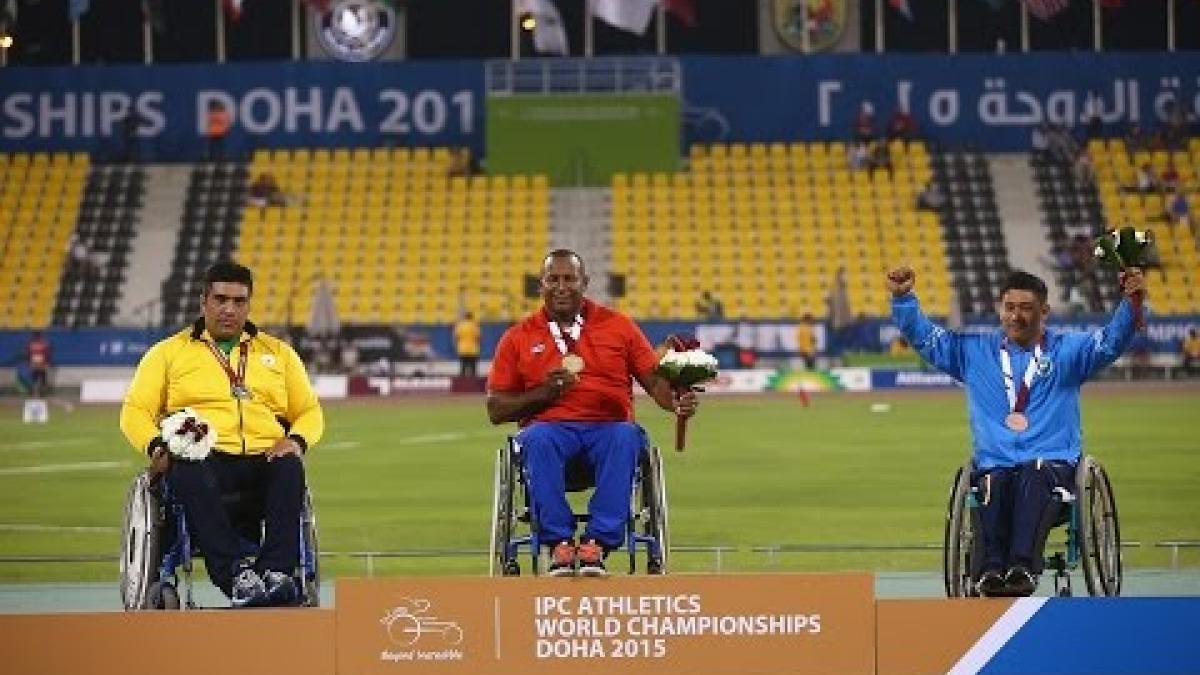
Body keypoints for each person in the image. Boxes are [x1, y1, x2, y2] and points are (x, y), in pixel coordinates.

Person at [888, 266, 1145, 597]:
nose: (1016, 316)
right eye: (1010, 307)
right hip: (996, 464)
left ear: (1044, 312)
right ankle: (991, 570)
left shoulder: (1068, 352)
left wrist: (1132, 300)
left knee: (1033, 473)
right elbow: (925, 338)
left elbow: (1110, 342)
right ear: (1000, 309)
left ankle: (1023, 566)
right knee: (993, 480)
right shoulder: (973, 352)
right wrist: (903, 298)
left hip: (1053, 467)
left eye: (1026, 308)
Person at [119, 261, 324, 608]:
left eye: (239, 301)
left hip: (263, 459)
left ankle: (276, 573)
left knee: (290, 465)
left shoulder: (278, 354)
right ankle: (235, 575)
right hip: (205, 461)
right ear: (204, 302)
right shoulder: (168, 353)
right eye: (220, 299)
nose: (229, 309)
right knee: (188, 462)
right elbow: (135, 411)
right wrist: (156, 447)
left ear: (249, 305)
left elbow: (309, 411)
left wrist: (296, 440)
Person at [486, 250, 699, 577]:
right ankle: (559, 544)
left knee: (627, 435)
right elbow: (496, 409)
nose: (561, 286)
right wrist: (546, 393)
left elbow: (655, 382)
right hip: (550, 431)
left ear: (584, 283)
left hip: (608, 429)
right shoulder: (517, 337)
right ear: (540, 286)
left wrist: (675, 402)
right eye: (552, 279)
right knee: (537, 438)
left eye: (569, 278)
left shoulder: (619, 326)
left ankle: (596, 544)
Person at [453, 311, 481, 378]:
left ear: (464, 317)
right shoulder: (475, 325)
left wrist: (457, 345)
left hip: (462, 349)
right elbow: (478, 337)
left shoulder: (460, 326)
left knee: (463, 368)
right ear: (471, 317)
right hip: (473, 349)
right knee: (473, 369)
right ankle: (474, 385)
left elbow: (456, 337)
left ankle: (462, 384)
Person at [27, 331, 51, 398]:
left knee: (35, 378)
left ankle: (36, 393)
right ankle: (40, 393)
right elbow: (47, 354)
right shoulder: (44, 343)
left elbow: (28, 354)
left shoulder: (30, 344)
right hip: (41, 362)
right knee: (42, 378)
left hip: (35, 362)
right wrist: (47, 362)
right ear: (40, 336)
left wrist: (29, 362)